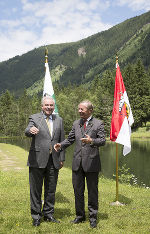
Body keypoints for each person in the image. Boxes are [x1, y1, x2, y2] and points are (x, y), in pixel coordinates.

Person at [54, 100, 105, 228]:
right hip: (77, 163)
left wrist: (91, 140)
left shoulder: (98, 123)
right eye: (79, 109)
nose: (79, 111)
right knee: (78, 191)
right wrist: (61, 145)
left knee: (92, 191)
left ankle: (93, 218)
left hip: (92, 163)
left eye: (82, 109)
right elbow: (70, 138)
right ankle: (80, 216)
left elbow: (103, 140)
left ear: (90, 110)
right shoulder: (76, 123)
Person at [25, 96, 65, 227]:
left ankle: (48, 214)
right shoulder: (35, 118)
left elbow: (62, 140)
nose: (49, 107)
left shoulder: (59, 120)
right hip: (37, 160)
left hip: (53, 160)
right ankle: (36, 216)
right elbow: (27, 130)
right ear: (42, 106)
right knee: (35, 190)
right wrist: (30, 130)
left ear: (54, 107)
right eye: (46, 105)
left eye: (51, 105)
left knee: (51, 190)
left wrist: (62, 158)